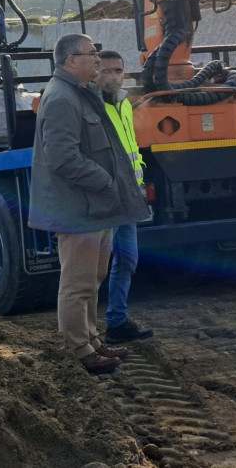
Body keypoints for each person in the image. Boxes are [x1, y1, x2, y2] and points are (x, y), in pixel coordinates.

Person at [29, 34, 150, 375]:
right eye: (91, 54)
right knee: (77, 281)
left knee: (93, 276)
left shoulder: (81, 93)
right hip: (78, 208)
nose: (97, 60)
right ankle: (78, 350)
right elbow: (63, 158)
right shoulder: (62, 99)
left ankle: (92, 340)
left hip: (96, 206)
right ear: (71, 60)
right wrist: (106, 181)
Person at [95, 51, 155, 345]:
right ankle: (84, 334)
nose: (113, 77)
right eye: (106, 71)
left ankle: (116, 322)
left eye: (118, 71)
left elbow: (133, 151)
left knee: (128, 260)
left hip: (129, 199)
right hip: (103, 199)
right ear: (95, 73)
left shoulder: (125, 105)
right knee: (91, 270)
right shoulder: (90, 108)